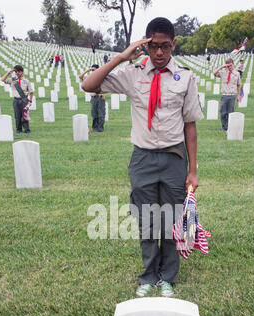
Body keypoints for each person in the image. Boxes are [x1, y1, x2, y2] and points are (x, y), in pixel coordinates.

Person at [82, 17, 203, 298]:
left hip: (174, 158)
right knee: (147, 219)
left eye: (165, 47)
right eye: (153, 47)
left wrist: (193, 170)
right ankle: (148, 275)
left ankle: (168, 277)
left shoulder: (184, 77)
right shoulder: (132, 74)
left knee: (173, 220)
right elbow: (89, 85)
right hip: (143, 159)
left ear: (173, 45)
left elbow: (190, 126)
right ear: (145, 45)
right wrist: (122, 57)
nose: (159, 53)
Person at [0, 65, 34, 134]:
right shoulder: (13, 80)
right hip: (16, 100)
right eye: (16, 71)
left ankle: (27, 129)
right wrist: (8, 73)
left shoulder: (26, 81)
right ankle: (18, 129)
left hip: (24, 100)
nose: (17, 73)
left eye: (19, 71)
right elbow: (2, 79)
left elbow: (31, 92)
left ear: (22, 72)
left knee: (25, 115)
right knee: (17, 115)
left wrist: (30, 101)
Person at [213, 58, 241, 131]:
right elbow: (214, 73)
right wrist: (222, 66)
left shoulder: (237, 74)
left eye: (231, 65)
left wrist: (239, 95)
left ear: (233, 64)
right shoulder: (223, 72)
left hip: (232, 95)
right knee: (223, 112)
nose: (230, 67)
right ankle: (224, 127)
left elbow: (238, 85)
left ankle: (230, 127)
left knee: (231, 113)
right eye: (228, 66)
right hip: (224, 95)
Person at [79, 64, 106, 133]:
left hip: (100, 97)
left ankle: (100, 129)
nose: (93, 71)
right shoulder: (89, 77)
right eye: (92, 70)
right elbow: (80, 76)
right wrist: (87, 70)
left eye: (94, 69)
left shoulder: (101, 76)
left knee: (101, 114)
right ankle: (94, 128)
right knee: (94, 113)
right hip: (93, 97)